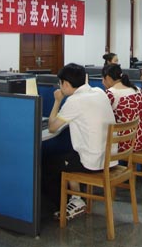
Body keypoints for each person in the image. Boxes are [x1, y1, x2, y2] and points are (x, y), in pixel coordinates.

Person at [44, 63, 116, 220]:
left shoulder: (74, 101)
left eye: (60, 83)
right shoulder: (99, 92)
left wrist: (57, 101)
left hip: (94, 162)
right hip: (111, 158)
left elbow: (52, 127)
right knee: (69, 155)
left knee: (49, 164)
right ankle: (77, 198)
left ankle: (71, 203)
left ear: (66, 84)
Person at [102, 63, 142, 152]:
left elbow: (102, 117)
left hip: (126, 144)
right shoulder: (137, 89)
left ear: (107, 78)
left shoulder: (111, 94)